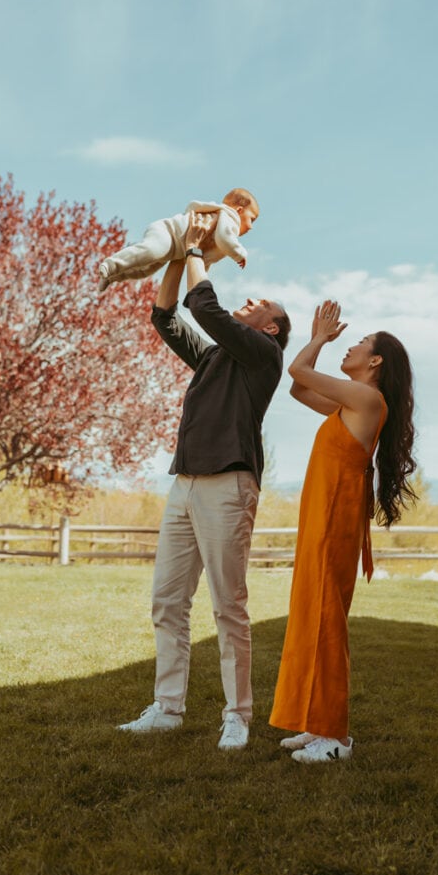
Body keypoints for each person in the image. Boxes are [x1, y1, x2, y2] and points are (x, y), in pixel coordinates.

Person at [118, 212, 290, 750]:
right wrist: (176, 256)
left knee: (227, 607)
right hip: (184, 485)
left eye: (261, 304)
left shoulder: (264, 355)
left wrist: (195, 250)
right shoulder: (216, 356)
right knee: (168, 602)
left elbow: (205, 308)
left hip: (228, 487)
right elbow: (166, 316)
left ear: (270, 328)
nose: (252, 299)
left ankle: (237, 715)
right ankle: (168, 709)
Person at [269, 300, 416, 763]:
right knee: (311, 614)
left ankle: (336, 736)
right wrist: (319, 340)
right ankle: (317, 723)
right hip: (321, 516)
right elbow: (298, 388)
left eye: (359, 343)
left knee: (326, 620)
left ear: (375, 361)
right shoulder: (348, 402)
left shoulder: (367, 400)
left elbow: (297, 368)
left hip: (335, 520)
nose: (349, 346)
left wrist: (319, 338)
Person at [98, 187, 258, 292]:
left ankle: (113, 277)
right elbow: (225, 238)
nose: (251, 227)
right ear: (239, 210)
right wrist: (239, 254)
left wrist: (197, 287)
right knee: (150, 251)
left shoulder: (219, 228)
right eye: (252, 219)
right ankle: (111, 264)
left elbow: (202, 263)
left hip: (174, 247)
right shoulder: (229, 217)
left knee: (147, 269)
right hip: (169, 232)